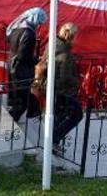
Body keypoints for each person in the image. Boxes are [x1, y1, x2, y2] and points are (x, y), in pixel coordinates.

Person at [32, 22, 83, 153]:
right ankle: (53, 140)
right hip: (58, 89)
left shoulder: (52, 45)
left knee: (58, 115)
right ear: (69, 36)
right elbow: (65, 78)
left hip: (47, 86)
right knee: (76, 113)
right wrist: (76, 81)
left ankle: (53, 141)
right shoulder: (65, 55)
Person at [6, 7, 47, 122]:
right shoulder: (29, 33)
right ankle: (12, 120)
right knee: (23, 97)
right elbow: (24, 55)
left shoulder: (16, 27)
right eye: (39, 22)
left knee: (18, 94)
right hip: (20, 67)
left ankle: (30, 111)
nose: (39, 25)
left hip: (12, 62)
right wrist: (36, 61)